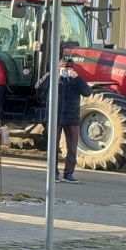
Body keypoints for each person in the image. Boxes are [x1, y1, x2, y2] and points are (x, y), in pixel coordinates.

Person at [50, 54, 92, 182]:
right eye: (64, 69)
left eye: (69, 69)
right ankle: (53, 174)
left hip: (72, 119)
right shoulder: (54, 79)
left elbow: (87, 92)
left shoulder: (76, 82)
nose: (67, 72)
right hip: (55, 118)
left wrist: (78, 78)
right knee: (53, 148)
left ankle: (68, 174)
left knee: (72, 148)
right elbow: (39, 87)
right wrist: (55, 76)